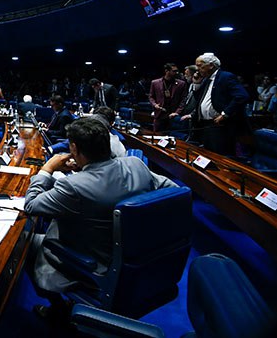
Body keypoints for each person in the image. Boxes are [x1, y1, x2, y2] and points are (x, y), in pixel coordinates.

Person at [24, 117, 178, 320]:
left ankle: (60, 311)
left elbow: (31, 205)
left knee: (26, 242)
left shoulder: (73, 186)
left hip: (96, 265)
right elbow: (174, 191)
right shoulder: (135, 164)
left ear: (74, 148)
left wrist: (47, 169)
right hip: (142, 257)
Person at [192, 52, 249, 157]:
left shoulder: (226, 77)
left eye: (200, 66)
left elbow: (242, 96)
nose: (197, 69)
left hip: (221, 126)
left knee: (220, 156)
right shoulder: (206, 79)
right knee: (208, 156)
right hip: (206, 125)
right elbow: (199, 100)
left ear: (211, 65)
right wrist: (197, 84)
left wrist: (225, 114)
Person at [148, 62, 187, 132]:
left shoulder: (181, 84)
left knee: (171, 135)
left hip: (173, 114)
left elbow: (183, 99)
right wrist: (155, 104)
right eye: (174, 71)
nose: (176, 73)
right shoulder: (155, 83)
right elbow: (151, 96)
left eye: (177, 71)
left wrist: (177, 112)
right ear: (167, 71)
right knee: (157, 134)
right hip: (160, 114)